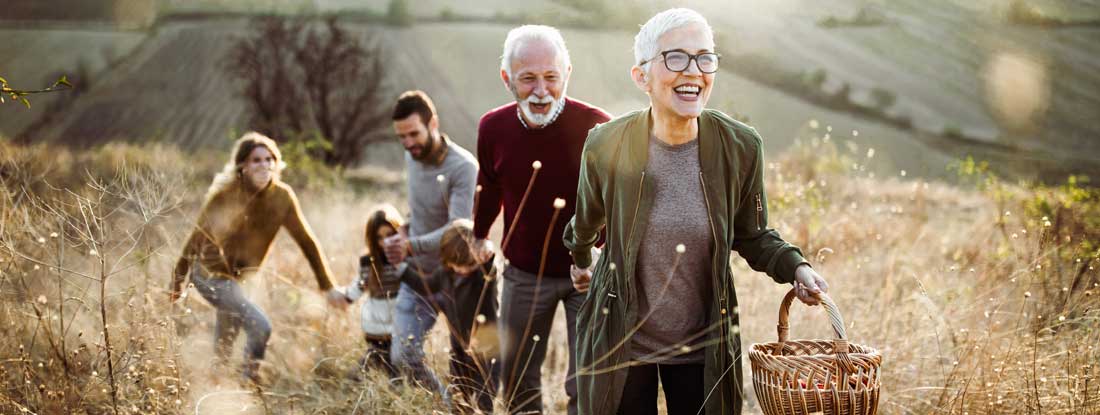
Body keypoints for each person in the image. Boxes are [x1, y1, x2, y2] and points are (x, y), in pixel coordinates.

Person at [562, 9, 831, 415]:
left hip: (705, 343)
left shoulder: (740, 147)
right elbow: (584, 223)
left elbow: (753, 234)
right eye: (676, 57)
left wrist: (796, 267)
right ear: (641, 77)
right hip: (620, 338)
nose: (694, 71)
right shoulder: (606, 144)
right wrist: (583, 262)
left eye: (704, 58)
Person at [473, 25, 611, 415]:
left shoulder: (598, 127)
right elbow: (489, 185)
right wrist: (479, 235)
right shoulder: (492, 128)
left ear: (567, 73)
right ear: (507, 79)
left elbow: (619, 204)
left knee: (588, 382)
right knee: (517, 380)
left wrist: (598, 254)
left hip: (587, 273)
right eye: (528, 78)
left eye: (551, 77)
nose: (541, 90)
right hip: (523, 273)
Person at [169, 132, 346, 383]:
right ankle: (248, 383)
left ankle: (216, 387)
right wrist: (177, 281)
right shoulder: (225, 196)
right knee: (260, 326)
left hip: (241, 281)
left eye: (269, 159)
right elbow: (195, 239)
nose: (265, 165)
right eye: (256, 160)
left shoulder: (282, 197)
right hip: (210, 275)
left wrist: (327, 286)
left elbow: (307, 241)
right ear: (243, 165)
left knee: (225, 340)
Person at [381, 90, 490, 408]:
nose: (408, 143)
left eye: (414, 134)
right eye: (401, 137)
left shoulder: (463, 167)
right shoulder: (411, 157)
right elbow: (420, 210)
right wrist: (404, 229)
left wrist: (409, 245)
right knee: (403, 356)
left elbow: (458, 228)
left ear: (433, 124)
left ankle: (466, 408)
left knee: (469, 365)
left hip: (456, 279)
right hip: (418, 278)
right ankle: (445, 405)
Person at [343, 205, 407, 379]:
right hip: (376, 325)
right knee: (380, 361)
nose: (385, 242)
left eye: (390, 235)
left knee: (397, 365)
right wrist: (345, 297)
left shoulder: (405, 258)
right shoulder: (368, 261)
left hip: (400, 324)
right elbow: (359, 285)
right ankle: (354, 379)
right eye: (379, 237)